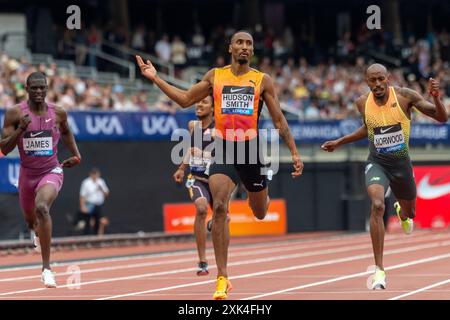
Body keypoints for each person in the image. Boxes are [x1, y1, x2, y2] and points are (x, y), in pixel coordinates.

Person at [136, 30, 304, 300]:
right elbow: (184, 99)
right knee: (220, 206)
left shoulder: (262, 80)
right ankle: (222, 277)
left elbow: (279, 120)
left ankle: (260, 194)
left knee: (259, 212)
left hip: (250, 149)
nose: (245, 47)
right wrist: (155, 77)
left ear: (252, 50)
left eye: (249, 43)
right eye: (240, 43)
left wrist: (295, 153)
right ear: (231, 48)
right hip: (224, 147)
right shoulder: (216, 76)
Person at [321, 64, 448, 290]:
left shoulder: (405, 96)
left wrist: (437, 98)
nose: (378, 84)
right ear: (367, 82)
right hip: (377, 163)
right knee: (377, 205)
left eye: (381, 79)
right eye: (373, 80)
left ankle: (402, 211)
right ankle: (379, 270)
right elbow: (367, 129)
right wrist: (340, 142)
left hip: (402, 166)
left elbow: (441, 117)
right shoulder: (362, 102)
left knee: (411, 213)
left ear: (387, 78)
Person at [0, 72, 81, 288]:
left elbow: (66, 132)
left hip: (51, 170)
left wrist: (76, 154)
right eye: (34, 88)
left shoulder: (59, 113)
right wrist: (20, 130)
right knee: (30, 220)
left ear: (47, 89)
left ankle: (46, 269)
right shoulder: (14, 113)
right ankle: (36, 232)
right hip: (27, 175)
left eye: (42, 88)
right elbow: (4, 149)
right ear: (26, 89)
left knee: (42, 208)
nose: (38, 91)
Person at [173, 94, 215, 276]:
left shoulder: (220, 129)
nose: (199, 104)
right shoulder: (193, 126)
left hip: (219, 180)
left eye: (204, 102)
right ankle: (203, 260)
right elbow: (190, 149)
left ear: (213, 108)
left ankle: (217, 222)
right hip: (198, 178)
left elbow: (229, 157)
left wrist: (204, 154)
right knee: (201, 208)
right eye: (198, 102)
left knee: (223, 219)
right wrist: (182, 168)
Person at [79, 167, 110, 235]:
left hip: (98, 205)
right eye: (93, 174)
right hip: (89, 204)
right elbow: (82, 195)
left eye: (96, 174)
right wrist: (82, 206)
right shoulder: (86, 182)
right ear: (90, 174)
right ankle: (86, 239)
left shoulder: (101, 182)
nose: (95, 175)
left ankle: (96, 239)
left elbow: (107, 194)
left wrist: (101, 189)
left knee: (98, 222)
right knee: (87, 222)